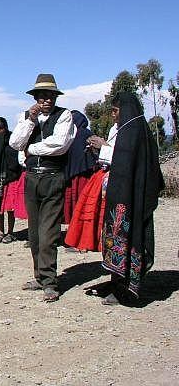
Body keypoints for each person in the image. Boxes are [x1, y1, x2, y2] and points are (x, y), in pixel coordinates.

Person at [9, 73, 76, 302]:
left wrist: (31, 150)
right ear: (36, 97)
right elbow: (15, 142)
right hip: (32, 179)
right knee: (35, 233)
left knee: (49, 233)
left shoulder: (64, 116)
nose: (47, 100)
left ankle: (50, 281)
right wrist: (29, 120)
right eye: (43, 96)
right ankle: (39, 275)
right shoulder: (27, 117)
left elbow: (59, 145)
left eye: (51, 96)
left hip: (52, 177)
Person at [98, 92, 164, 305]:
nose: (114, 116)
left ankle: (125, 288)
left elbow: (123, 161)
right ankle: (118, 283)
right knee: (121, 238)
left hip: (129, 200)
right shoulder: (137, 129)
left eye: (116, 111)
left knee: (127, 238)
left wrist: (102, 148)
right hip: (129, 197)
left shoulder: (132, 131)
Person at [64, 109, 117, 253]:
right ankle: (80, 238)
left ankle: (82, 241)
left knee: (83, 209)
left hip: (84, 177)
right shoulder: (82, 134)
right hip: (85, 175)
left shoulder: (78, 135)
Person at [63, 111, 98, 227]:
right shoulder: (86, 133)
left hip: (77, 175)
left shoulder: (72, 135)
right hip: (85, 174)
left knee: (78, 202)